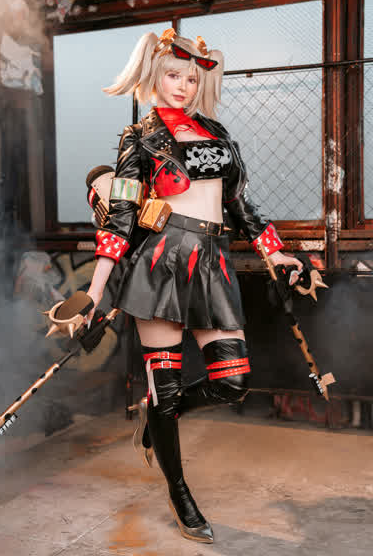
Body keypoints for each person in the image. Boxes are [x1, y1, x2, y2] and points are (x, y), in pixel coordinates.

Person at [86, 28, 302, 544]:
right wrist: (93, 292)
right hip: (161, 262)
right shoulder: (138, 138)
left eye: (190, 79)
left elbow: (239, 205)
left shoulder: (217, 134)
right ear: (154, 77)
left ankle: (157, 414)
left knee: (233, 381)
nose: (182, 86)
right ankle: (179, 492)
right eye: (173, 76)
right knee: (165, 385)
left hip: (211, 261)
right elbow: (120, 218)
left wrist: (274, 250)